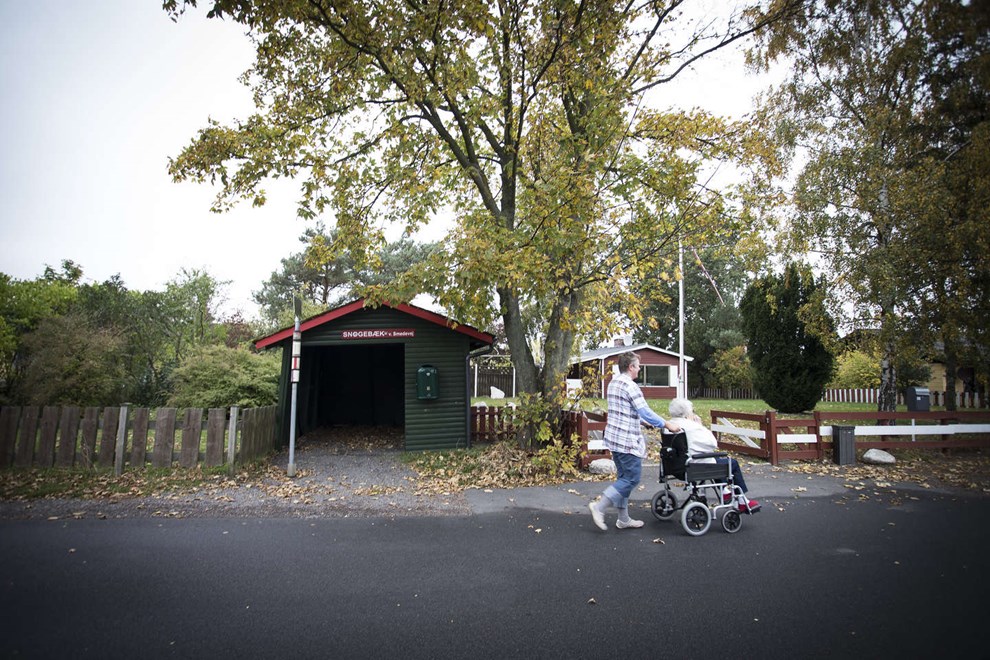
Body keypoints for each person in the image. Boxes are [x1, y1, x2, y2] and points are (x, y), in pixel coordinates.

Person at [589, 352, 681, 531]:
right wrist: (667, 424)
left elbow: (624, 412)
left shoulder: (613, 383)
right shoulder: (630, 386)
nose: (639, 369)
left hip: (614, 439)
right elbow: (645, 411)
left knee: (623, 478)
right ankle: (599, 507)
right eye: (638, 365)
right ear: (630, 367)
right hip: (627, 441)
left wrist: (643, 422)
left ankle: (623, 519)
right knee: (631, 479)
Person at [667, 397, 760, 513]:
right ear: (687, 413)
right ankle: (741, 500)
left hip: (675, 466)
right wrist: (700, 426)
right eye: (692, 411)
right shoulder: (693, 427)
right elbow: (712, 444)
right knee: (732, 463)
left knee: (714, 459)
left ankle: (725, 491)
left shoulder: (669, 425)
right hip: (694, 466)